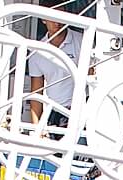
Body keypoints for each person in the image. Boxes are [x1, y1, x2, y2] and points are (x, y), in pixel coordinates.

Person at [26, 2, 86, 130]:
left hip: (83, 111)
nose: (57, 22)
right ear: (43, 19)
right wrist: (37, 129)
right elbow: (36, 93)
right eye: (53, 17)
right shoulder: (37, 52)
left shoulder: (82, 41)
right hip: (55, 113)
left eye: (60, 16)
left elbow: (93, 77)